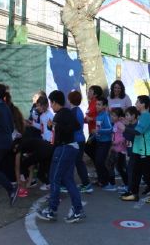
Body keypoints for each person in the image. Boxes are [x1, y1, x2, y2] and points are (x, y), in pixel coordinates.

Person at [37, 90, 86, 223]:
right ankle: (78, 210)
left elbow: (60, 132)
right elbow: (76, 126)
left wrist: (55, 126)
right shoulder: (68, 112)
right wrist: (54, 127)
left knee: (54, 178)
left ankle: (52, 210)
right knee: (68, 180)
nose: (50, 105)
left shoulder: (58, 116)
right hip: (72, 147)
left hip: (63, 148)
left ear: (54, 102)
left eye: (51, 102)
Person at [120, 96, 150, 203]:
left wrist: (125, 128)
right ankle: (134, 194)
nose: (136, 103)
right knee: (136, 173)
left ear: (143, 104)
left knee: (147, 174)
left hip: (145, 150)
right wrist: (127, 124)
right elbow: (136, 129)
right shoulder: (141, 116)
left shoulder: (146, 116)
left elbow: (138, 132)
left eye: (138, 102)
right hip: (138, 149)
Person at [68, 90, 93, 193]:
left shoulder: (73, 111)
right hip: (80, 139)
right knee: (78, 162)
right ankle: (85, 183)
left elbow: (72, 127)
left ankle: (86, 184)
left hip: (76, 140)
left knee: (77, 162)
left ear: (70, 100)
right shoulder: (78, 110)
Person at [106, 108, 128, 191]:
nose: (112, 117)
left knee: (120, 168)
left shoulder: (119, 124)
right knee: (111, 165)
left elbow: (124, 136)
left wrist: (115, 142)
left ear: (119, 117)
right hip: (115, 149)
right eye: (111, 115)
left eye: (114, 116)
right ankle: (113, 183)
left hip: (120, 150)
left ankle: (126, 185)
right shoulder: (116, 123)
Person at [94, 97, 114, 189]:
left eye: (99, 104)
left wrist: (99, 131)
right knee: (98, 161)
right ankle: (101, 180)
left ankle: (106, 181)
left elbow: (110, 129)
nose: (97, 106)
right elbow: (98, 129)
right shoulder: (98, 115)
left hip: (105, 142)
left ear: (104, 106)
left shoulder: (105, 116)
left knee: (100, 161)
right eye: (96, 104)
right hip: (99, 141)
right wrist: (95, 135)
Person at [121, 106, 139, 194]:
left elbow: (129, 137)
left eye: (127, 115)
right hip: (131, 152)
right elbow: (125, 137)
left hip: (136, 152)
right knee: (131, 170)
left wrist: (125, 128)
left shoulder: (136, 126)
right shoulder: (129, 125)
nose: (126, 117)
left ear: (133, 116)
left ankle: (131, 190)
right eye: (125, 115)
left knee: (132, 170)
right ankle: (131, 188)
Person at [84, 85, 103, 163]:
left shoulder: (97, 103)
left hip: (96, 131)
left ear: (95, 94)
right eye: (88, 91)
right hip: (91, 130)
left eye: (90, 91)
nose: (88, 93)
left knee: (88, 148)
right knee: (91, 148)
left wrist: (91, 119)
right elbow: (88, 116)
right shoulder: (91, 102)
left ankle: (98, 163)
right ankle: (97, 163)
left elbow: (102, 116)